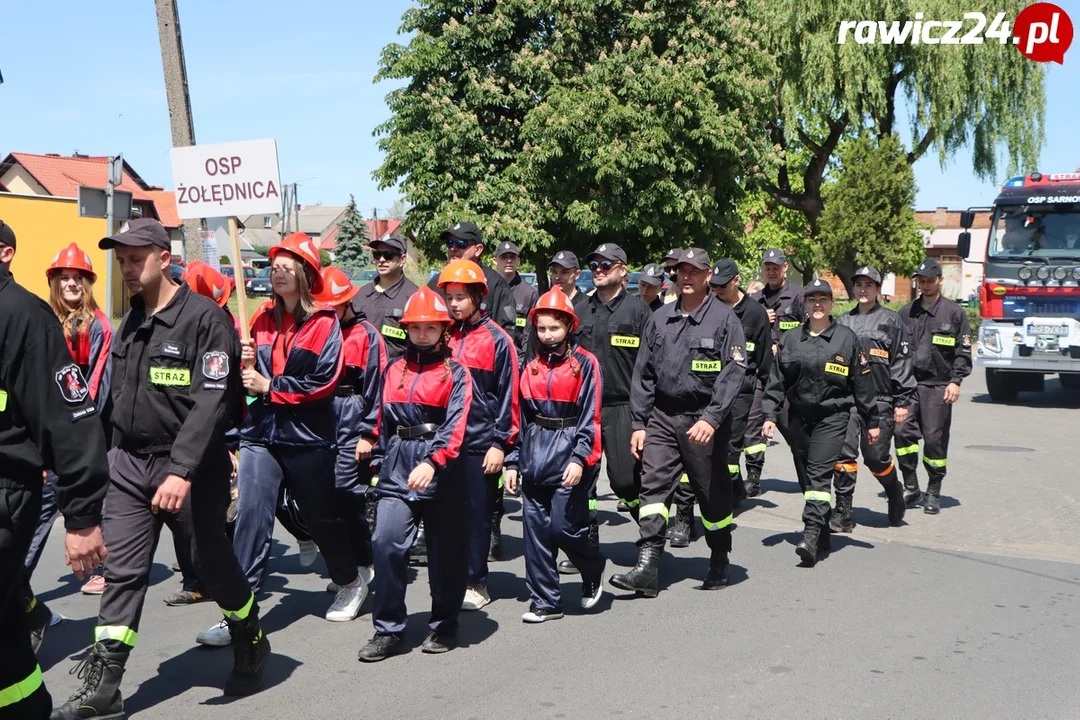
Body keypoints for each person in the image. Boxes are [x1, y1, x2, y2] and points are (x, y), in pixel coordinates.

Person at [52, 218, 267, 719]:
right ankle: (104, 687)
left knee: (211, 564)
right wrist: (94, 467)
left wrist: (182, 469)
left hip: (189, 468)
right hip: (128, 464)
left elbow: (212, 401)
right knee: (124, 573)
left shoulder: (205, 319)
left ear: (163, 257)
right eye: (121, 258)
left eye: (136, 257)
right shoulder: (130, 320)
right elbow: (115, 399)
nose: (126, 267)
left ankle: (250, 634)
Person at [226, 232, 366, 626]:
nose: (278, 273)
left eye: (288, 267)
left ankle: (350, 580)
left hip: (306, 435)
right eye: (274, 268)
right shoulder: (261, 320)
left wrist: (271, 386)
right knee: (251, 514)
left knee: (320, 515)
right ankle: (239, 609)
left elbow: (323, 382)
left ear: (306, 274)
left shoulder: (324, 324)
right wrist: (246, 364)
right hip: (260, 433)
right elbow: (248, 383)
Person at [0, 219, 109, 720]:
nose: (70, 283)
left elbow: (72, 419)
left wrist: (83, 515)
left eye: (77, 276)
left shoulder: (25, 316)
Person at [611, 248, 746, 597]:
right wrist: (639, 424)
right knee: (653, 488)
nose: (686, 277)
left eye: (694, 272)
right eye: (681, 271)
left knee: (712, 496)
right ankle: (647, 566)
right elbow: (643, 375)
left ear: (707, 276)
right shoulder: (659, 319)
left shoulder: (724, 320)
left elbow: (733, 375)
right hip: (662, 418)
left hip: (703, 423)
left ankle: (719, 556)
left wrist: (712, 419)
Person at [357, 286, 473, 662]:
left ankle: (444, 625)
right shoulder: (393, 369)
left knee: (446, 555)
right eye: (415, 328)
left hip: (443, 469)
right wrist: (375, 455)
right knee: (386, 543)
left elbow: (456, 427)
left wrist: (433, 461)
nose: (421, 335)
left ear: (443, 330)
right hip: (397, 466)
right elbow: (379, 418)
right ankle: (388, 630)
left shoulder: (457, 373)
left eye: (430, 328)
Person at [760, 279, 878, 567]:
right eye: (812, 299)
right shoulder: (790, 339)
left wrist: (871, 420)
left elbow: (862, 384)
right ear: (805, 304)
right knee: (806, 477)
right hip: (799, 418)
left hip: (833, 417)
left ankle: (811, 534)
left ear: (831, 303)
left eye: (823, 299)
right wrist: (769, 415)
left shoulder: (846, 339)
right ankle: (823, 528)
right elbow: (776, 382)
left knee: (818, 475)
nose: (817, 304)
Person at [23, 243, 113, 616]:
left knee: (96, 501)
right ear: (55, 283)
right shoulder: (44, 322)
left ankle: (102, 569)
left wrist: (72, 428)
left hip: (84, 429)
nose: (71, 284)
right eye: (65, 278)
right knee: (40, 508)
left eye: (78, 278)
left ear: (88, 284)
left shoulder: (100, 325)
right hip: (47, 433)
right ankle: (15, 579)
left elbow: (95, 384)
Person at [505, 287, 605, 622]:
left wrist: (579, 459)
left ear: (569, 327)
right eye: (542, 328)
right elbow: (517, 417)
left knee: (562, 527)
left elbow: (591, 416)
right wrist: (512, 462)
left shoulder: (586, 364)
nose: (547, 335)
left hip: (568, 455)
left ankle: (592, 567)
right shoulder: (528, 366)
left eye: (555, 328)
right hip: (534, 455)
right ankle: (546, 602)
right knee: (535, 534)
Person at [559, 244, 650, 577]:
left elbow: (649, 366)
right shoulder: (579, 308)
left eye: (605, 264)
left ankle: (651, 535)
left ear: (622, 270)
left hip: (623, 405)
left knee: (625, 481)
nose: (598, 269)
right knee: (583, 483)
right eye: (593, 264)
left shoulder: (639, 312)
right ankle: (588, 544)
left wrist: (645, 415)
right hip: (584, 407)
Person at [437, 259, 519, 611]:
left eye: (460, 297)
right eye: (449, 297)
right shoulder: (441, 336)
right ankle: (451, 576)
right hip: (443, 441)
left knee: (477, 514)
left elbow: (509, 398)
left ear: (477, 296)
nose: (453, 304)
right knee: (446, 513)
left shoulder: (498, 341)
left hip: (480, 442)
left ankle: (476, 581)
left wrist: (501, 444)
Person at [313, 266, 386, 594]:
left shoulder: (367, 336)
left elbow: (378, 388)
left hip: (353, 417)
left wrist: (369, 433)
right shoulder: (314, 331)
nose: (327, 315)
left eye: (332, 308)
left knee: (347, 496)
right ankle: (345, 567)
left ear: (346, 304)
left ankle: (363, 563)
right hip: (320, 420)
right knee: (322, 498)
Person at [832, 266, 916, 531]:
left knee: (875, 457)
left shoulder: (891, 321)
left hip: (881, 401)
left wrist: (902, 401)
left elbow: (902, 362)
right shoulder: (842, 322)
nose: (863, 289)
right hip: (849, 401)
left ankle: (893, 490)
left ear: (878, 289)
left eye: (869, 285)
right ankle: (843, 512)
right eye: (859, 284)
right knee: (843, 454)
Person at [893, 258, 972, 514]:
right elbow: (894, 350)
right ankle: (911, 484)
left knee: (935, 440)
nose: (925, 286)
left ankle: (934, 490)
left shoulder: (954, 313)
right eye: (921, 281)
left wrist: (955, 381)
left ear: (940, 280)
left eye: (930, 281)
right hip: (909, 386)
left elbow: (963, 351)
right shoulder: (906, 312)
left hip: (939, 386)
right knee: (903, 433)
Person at [709, 259, 772, 504]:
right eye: (713, 285)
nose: (717, 290)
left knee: (731, 447)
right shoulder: (709, 308)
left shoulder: (755, 313)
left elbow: (765, 359)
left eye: (722, 285)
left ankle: (725, 495)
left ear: (737, 280)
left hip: (741, 391)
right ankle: (734, 489)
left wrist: (769, 408)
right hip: (710, 388)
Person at [749, 248, 805, 483]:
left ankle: (809, 469)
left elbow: (808, 330)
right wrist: (760, 319)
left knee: (791, 427)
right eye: (767, 267)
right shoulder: (755, 300)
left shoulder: (798, 296)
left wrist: (782, 347)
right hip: (762, 373)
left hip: (789, 376)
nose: (771, 271)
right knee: (753, 424)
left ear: (785, 267)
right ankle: (753, 475)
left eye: (775, 267)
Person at [428, 222, 517, 336]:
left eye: (461, 244)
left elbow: (505, 335)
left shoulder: (496, 285)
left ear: (478, 249)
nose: (453, 249)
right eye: (449, 244)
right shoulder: (435, 283)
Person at [351, 234, 418, 361]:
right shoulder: (360, 294)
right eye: (377, 255)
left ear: (402, 259)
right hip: (360, 373)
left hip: (395, 374)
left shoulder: (414, 296)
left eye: (388, 255)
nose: (381, 260)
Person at [493, 240, 539, 352]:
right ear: (495, 261)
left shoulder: (529, 293)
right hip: (489, 355)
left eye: (513, 257)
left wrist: (523, 361)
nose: (509, 260)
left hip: (517, 357)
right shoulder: (487, 289)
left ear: (518, 261)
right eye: (504, 257)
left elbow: (530, 334)